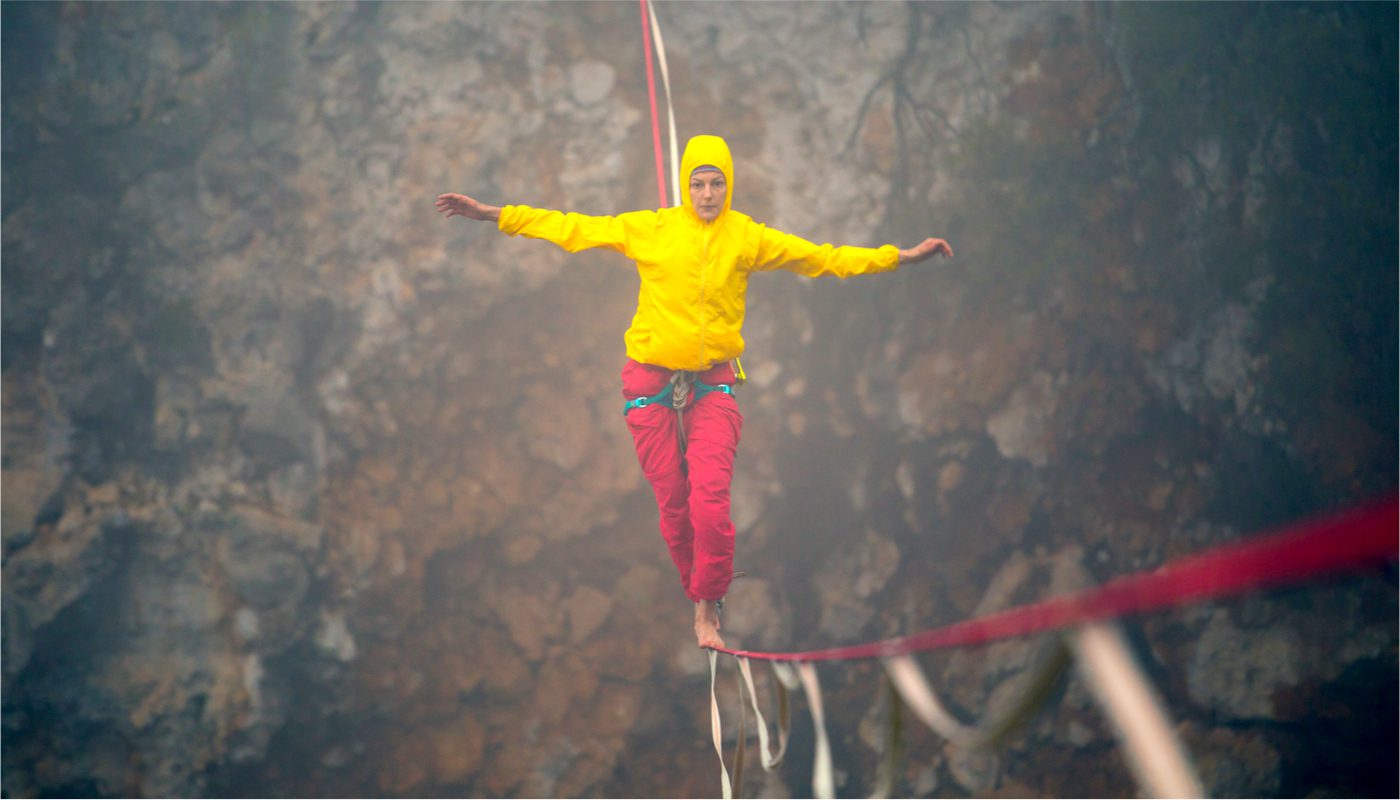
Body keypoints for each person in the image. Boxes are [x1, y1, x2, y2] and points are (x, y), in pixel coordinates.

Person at [437, 134, 952, 650]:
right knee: (673, 504)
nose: (708, 194)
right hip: (650, 382)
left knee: (710, 507)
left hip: (711, 383)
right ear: (686, 187)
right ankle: (697, 592)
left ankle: (708, 607)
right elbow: (572, 227)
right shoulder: (654, 228)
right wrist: (491, 214)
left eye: (717, 183)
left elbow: (822, 257)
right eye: (698, 184)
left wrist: (900, 257)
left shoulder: (746, 237)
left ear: (730, 185)